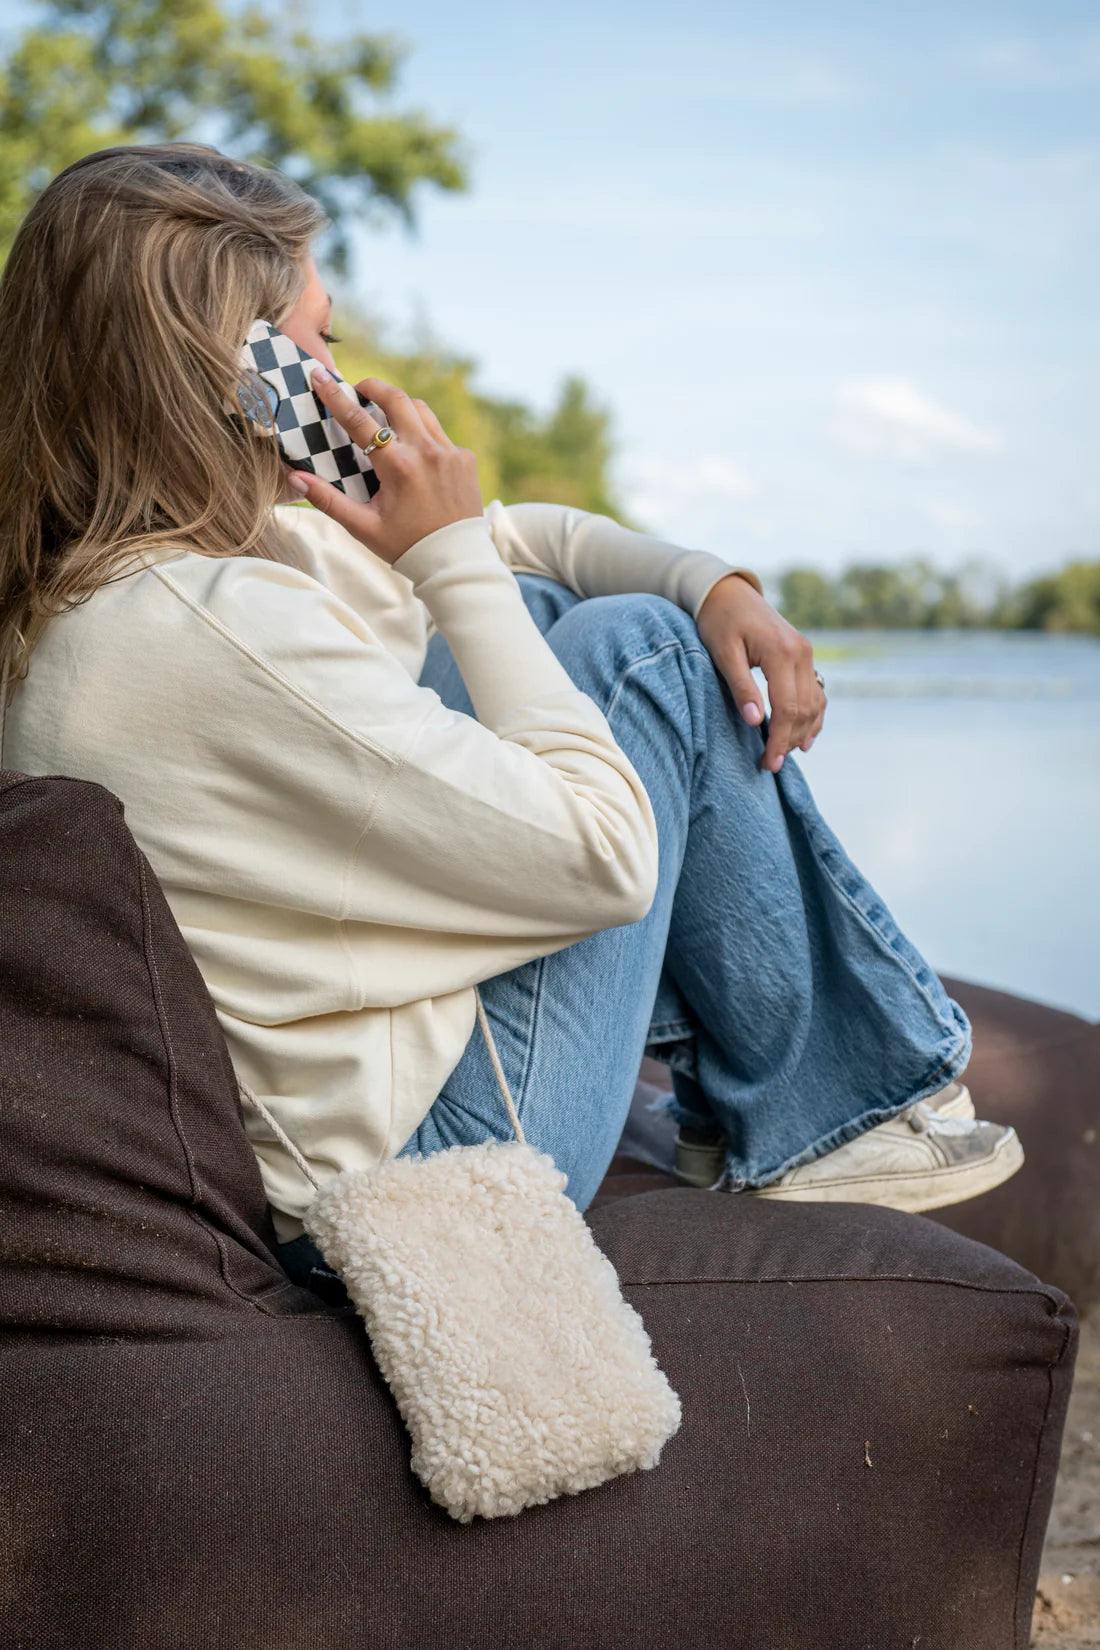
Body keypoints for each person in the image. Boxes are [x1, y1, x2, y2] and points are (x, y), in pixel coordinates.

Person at [0, 143, 1021, 1296]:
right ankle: (838, 1110)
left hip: (323, 1126)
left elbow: (515, 545)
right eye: (321, 340)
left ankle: (766, 1096)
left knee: (539, 610)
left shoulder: (128, 588)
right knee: (635, 654)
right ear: (247, 369)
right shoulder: (222, 625)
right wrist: (462, 562)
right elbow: (603, 862)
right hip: (415, 1178)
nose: (340, 370)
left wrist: (709, 579)